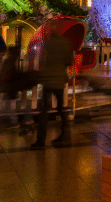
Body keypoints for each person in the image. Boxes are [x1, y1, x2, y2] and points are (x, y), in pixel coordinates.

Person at [31, 21, 75, 149]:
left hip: (48, 80)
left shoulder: (48, 43)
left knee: (44, 111)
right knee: (61, 109)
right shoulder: (66, 43)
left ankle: (41, 140)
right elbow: (68, 61)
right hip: (59, 80)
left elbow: (43, 60)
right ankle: (65, 136)